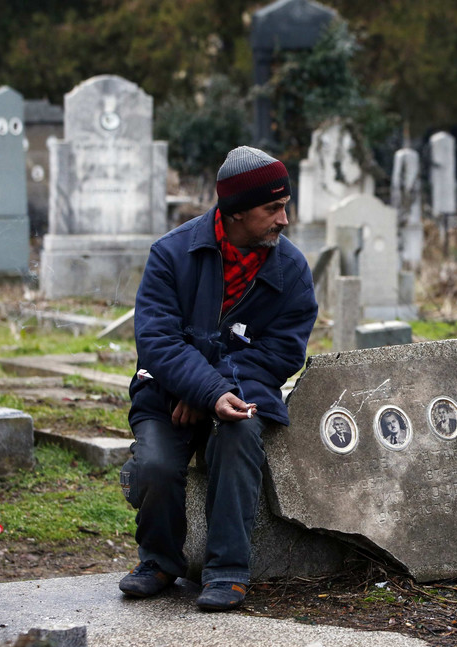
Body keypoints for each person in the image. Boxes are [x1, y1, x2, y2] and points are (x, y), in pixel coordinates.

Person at [118, 146, 317, 611]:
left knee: (239, 435)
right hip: (166, 394)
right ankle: (159, 561)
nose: (284, 220)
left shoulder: (291, 270)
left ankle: (228, 570)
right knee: (156, 465)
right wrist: (204, 389)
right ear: (236, 212)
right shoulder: (171, 255)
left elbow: (282, 352)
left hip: (245, 394)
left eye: (285, 205)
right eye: (273, 208)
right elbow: (157, 342)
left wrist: (213, 392)